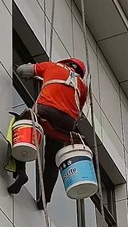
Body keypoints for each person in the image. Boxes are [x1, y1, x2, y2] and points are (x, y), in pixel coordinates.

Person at [7, 58, 88, 206]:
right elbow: (79, 112)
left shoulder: (51, 67)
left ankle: (21, 172)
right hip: (67, 123)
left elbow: (22, 70)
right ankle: (45, 199)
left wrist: (34, 75)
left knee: (23, 123)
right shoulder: (82, 86)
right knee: (52, 161)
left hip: (46, 110)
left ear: (65, 63)